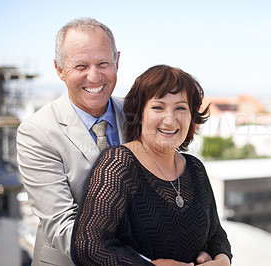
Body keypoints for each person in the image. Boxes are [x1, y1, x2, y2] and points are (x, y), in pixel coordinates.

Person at [17, 18, 213, 266]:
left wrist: (202, 251)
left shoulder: (139, 113)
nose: (94, 76)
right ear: (59, 69)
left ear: (117, 62)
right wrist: (147, 262)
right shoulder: (36, 132)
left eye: (103, 63)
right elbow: (62, 225)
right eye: (80, 66)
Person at [71, 65, 232, 265]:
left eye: (181, 108)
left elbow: (216, 234)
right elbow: (89, 247)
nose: (170, 119)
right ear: (139, 113)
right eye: (158, 107)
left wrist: (223, 259)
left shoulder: (195, 168)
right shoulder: (119, 163)